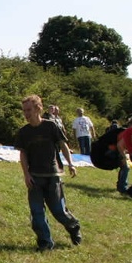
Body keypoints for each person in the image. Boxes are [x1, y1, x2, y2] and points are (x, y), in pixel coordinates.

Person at [14, 94, 82, 252]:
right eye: (24, 110)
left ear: (38, 108)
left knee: (58, 210)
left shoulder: (51, 126)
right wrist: (26, 175)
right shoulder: (23, 132)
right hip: (35, 177)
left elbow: (63, 146)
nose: (26, 113)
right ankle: (45, 242)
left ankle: (73, 227)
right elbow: (22, 154)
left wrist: (71, 164)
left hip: (53, 176)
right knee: (37, 212)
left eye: (29, 110)